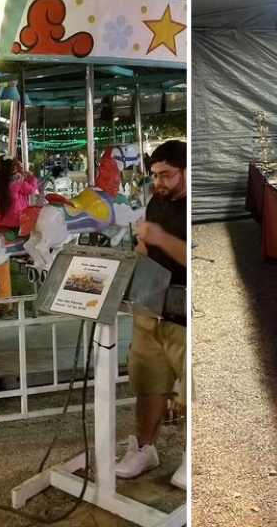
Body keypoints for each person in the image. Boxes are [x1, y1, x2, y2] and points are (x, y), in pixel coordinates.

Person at [115, 140, 188, 490]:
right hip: (151, 303)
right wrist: (141, 249)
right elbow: (147, 247)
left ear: (185, 171)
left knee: (191, 386)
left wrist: (158, 236)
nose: (159, 182)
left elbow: (193, 256)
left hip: (184, 311)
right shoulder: (157, 201)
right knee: (147, 381)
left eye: (166, 175)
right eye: (155, 175)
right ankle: (144, 448)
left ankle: (193, 455)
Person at [0, 156, 38, 231]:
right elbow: (31, 189)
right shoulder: (17, 180)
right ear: (13, 166)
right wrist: (31, 177)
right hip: (13, 219)